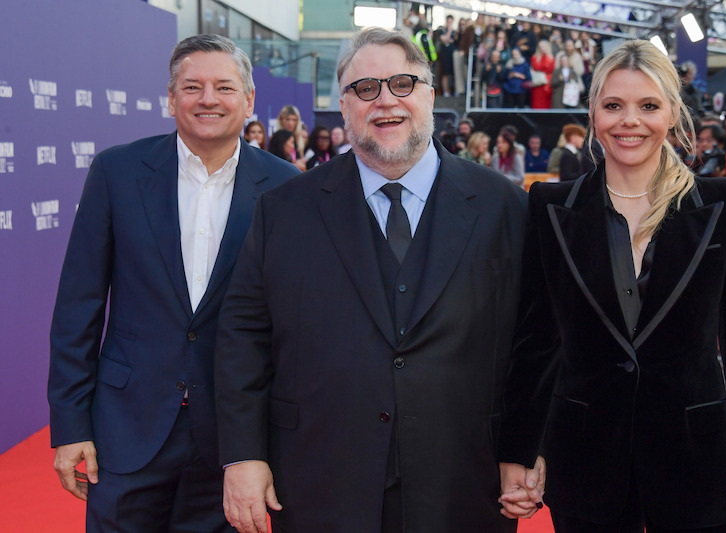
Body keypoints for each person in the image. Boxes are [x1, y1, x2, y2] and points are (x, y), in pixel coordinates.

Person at [214, 26, 528, 533]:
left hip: (466, 481)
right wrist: (243, 456)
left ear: (430, 94)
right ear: (344, 105)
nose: (386, 101)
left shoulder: (505, 206)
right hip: (320, 479)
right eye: (366, 88)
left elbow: (534, 345)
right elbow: (243, 339)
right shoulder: (285, 211)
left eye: (403, 83)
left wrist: (524, 446)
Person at [498, 39, 726, 533]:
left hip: (698, 464)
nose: (630, 120)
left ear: (672, 113)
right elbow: (536, 342)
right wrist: (522, 450)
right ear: (593, 114)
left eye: (648, 106)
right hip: (584, 463)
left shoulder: (721, 204)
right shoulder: (550, 206)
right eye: (614, 106)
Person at [47, 34, 298, 532]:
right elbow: (79, 305)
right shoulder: (117, 172)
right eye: (192, 86)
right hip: (126, 427)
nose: (208, 99)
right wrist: (70, 424)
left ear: (248, 100)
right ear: (170, 98)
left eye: (224, 87)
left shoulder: (288, 187)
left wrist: (275, 442)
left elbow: (294, 324)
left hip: (233, 437)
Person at [277, 104, 306, 171]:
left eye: (294, 120)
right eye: (288, 119)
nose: (291, 123)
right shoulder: (276, 138)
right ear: (281, 120)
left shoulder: (299, 140)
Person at [530, 40, 555, 109]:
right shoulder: (535, 57)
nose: (542, 48)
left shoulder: (551, 57)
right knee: (537, 104)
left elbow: (551, 68)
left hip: (547, 84)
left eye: (544, 46)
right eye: (540, 47)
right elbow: (535, 67)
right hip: (537, 83)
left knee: (547, 104)